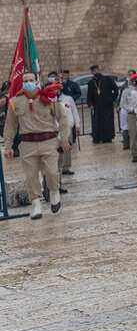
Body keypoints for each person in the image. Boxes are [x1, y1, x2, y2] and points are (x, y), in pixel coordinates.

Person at [3, 71, 71, 219]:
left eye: (31, 80)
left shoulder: (48, 97)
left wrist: (64, 139)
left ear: (37, 80)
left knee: (52, 172)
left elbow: (63, 118)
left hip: (48, 141)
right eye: (26, 80)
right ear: (22, 82)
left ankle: (54, 192)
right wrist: (7, 146)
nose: (29, 82)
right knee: (31, 176)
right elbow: (10, 126)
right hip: (27, 144)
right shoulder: (15, 102)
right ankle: (36, 204)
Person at [86, 65, 117, 144]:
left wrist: (112, 99)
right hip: (97, 106)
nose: (95, 71)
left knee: (107, 121)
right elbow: (89, 95)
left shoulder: (107, 79)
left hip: (107, 105)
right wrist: (90, 104)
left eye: (96, 70)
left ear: (99, 70)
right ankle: (97, 138)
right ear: (92, 72)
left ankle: (108, 137)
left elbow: (116, 89)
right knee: (97, 122)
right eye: (93, 70)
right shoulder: (91, 82)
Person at [56, 74, 79, 177]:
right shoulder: (51, 100)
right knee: (58, 151)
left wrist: (77, 124)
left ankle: (66, 167)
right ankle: (58, 168)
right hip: (56, 130)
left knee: (67, 148)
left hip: (68, 128)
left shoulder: (68, 99)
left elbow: (74, 111)